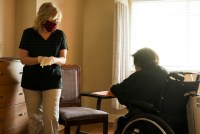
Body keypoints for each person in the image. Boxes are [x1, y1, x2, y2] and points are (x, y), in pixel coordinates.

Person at [18, 2, 67, 134]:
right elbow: (23, 59)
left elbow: (63, 59)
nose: (55, 23)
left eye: (57, 20)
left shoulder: (60, 35)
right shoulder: (28, 33)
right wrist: (38, 59)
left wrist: (54, 59)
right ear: (43, 18)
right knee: (35, 118)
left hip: (52, 80)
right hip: (31, 81)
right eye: (52, 20)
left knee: (50, 117)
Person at [109, 47, 168, 133]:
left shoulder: (140, 75)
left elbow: (116, 90)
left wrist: (113, 87)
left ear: (139, 62)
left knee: (119, 121)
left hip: (147, 115)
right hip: (161, 115)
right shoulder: (163, 72)